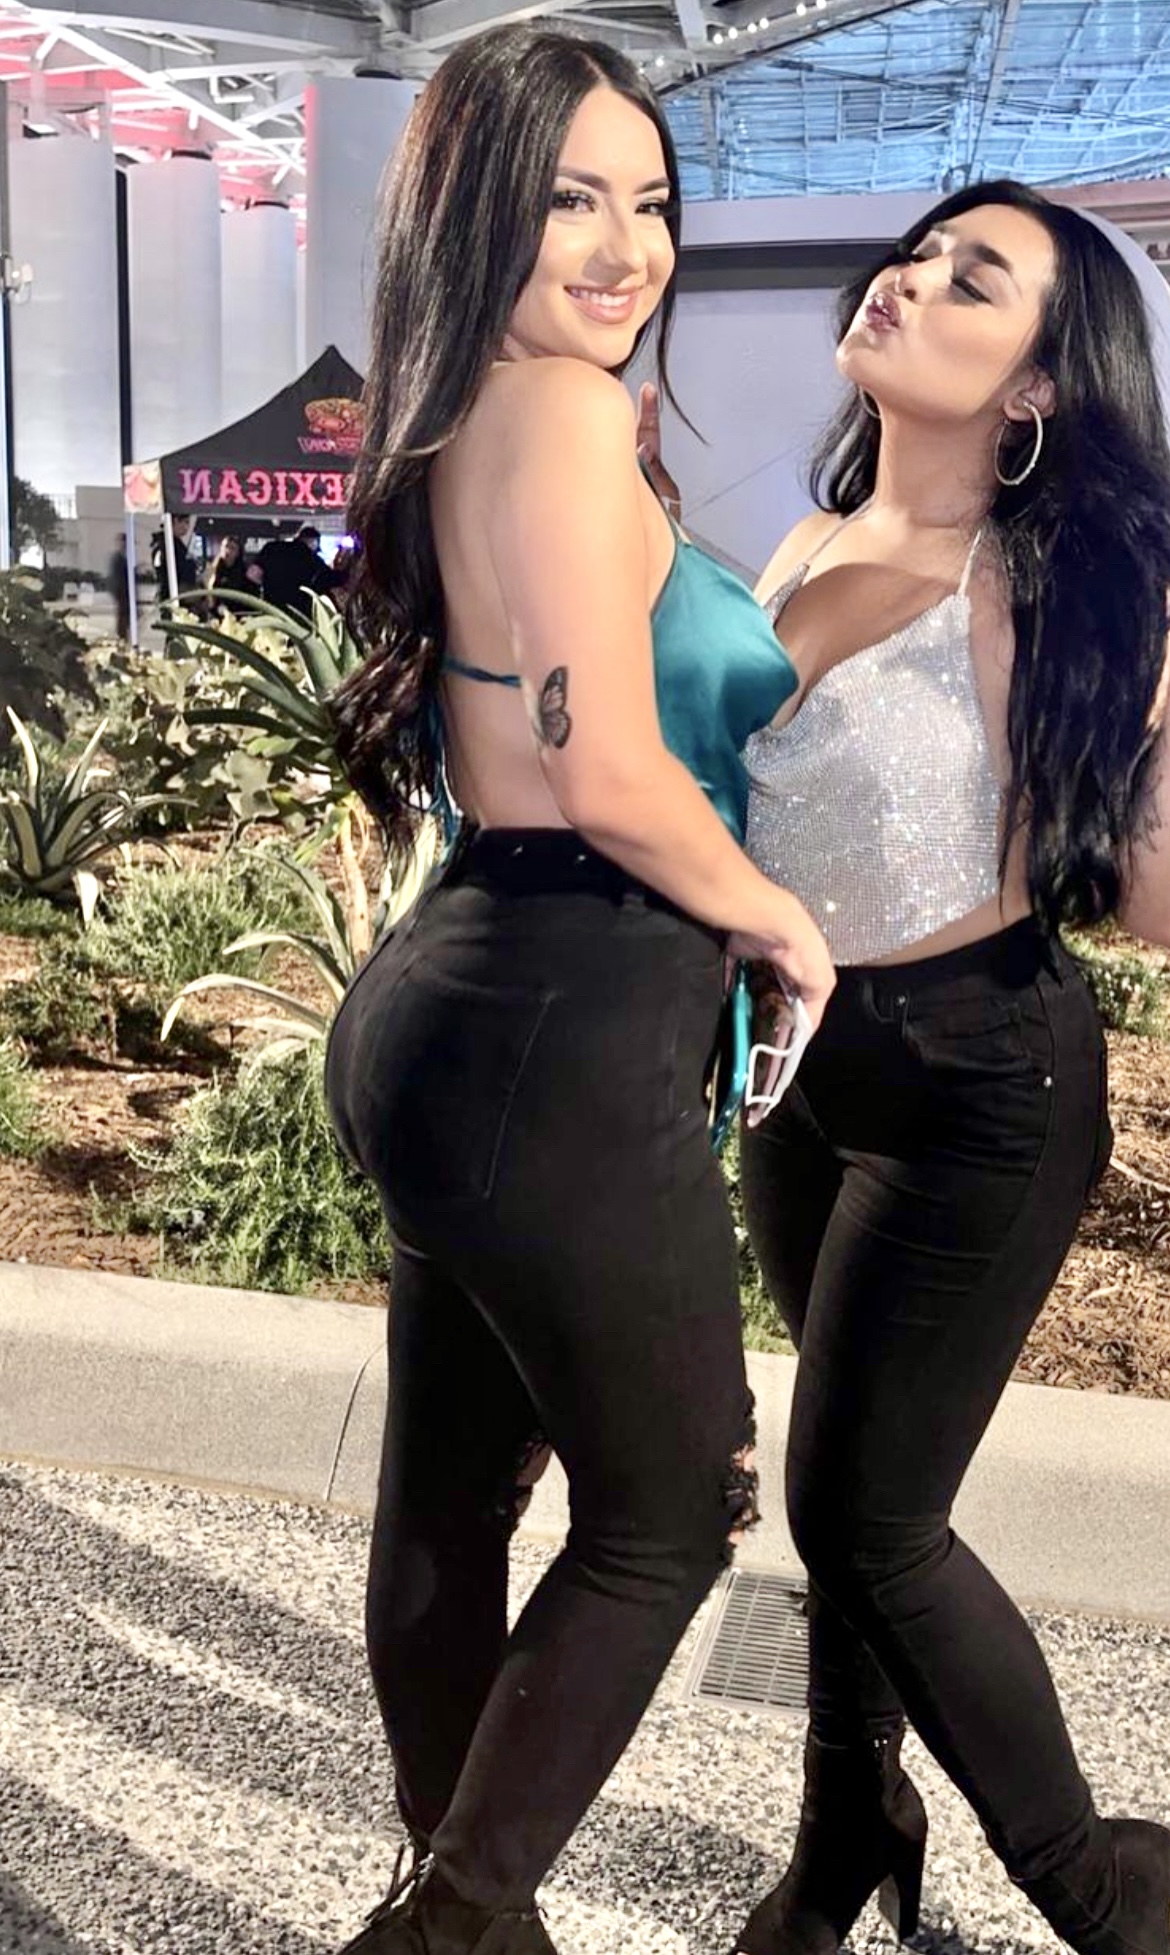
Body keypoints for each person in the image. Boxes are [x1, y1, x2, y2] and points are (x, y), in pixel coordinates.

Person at [322, 24, 834, 1955]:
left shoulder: (482, 409)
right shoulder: (553, 412)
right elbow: (605, 766)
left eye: (652, 203)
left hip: (474, 997)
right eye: (570, 203)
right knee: (669, 1506)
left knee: (454, 1491)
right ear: (477, 214)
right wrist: (779, 922)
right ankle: (450, 1923)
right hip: (561, 1007)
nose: (627, 249)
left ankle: (455, 1902)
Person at [716, 181, 1169, 1955]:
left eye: (971, 279)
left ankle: (1100, 1885)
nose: (909, 279)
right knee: (851, 1495)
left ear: (1038, 385)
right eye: (918, 251)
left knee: (863, 1511)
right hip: (803, 1075)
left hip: (981, 1084)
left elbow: (1143, 905)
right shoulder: (809, 538)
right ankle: (848, 1828)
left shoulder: (1045, 590)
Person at [258, 522, 343, 618]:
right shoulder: (311, 557)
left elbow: (253, 574)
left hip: (271, 611)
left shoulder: (271, 548)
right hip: (299, 615)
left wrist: (269, 585)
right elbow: (332, 579)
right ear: (313, 541)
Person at [206, 532, 261, 600]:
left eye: (232, 548)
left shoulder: (245, 572)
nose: (227, 551)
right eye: (226, 546)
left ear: (238, 553)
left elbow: (252, 595)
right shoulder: (213, 569)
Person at [106, 531, 130, 640]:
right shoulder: (118, 559)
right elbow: (117, 577)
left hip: (124, 594)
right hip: (122, 593)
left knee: (125, 618)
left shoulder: (123, 558)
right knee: (123, 618)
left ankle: (124, 636)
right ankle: (122, 637)